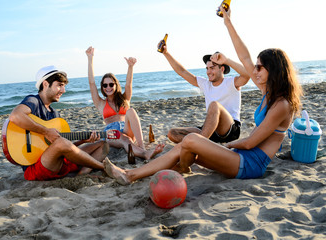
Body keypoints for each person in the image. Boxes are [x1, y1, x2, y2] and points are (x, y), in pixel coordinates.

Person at [103, 7, 302, 184]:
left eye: (260, 67)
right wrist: (228, 22)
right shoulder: (267, 91)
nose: (255, 70)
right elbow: (245, 57)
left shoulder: (282, 104)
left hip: (248, 164)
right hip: (239, 155)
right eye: (256, 67)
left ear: (273, 70)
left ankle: (130, 175)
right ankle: (174, 168)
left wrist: (226, 147)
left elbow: (250, 142)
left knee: (191, 140)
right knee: (187, 147)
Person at [9, 65, 109, 181]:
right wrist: (45, 131)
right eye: (60, 85)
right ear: (45, 84)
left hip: (59, 163)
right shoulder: (34, 101)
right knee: (61, 142)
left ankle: (82, 174)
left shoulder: (55, 115)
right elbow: (15, 116)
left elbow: (66, 148)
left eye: (64, 86)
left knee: (103, 145)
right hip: (37, 168)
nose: (63, 90)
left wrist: (83, 141)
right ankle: (104, 168)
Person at [159, 42, 250, 144]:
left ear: (222, 69)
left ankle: (201, 144)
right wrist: (166, 53)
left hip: (230, 129)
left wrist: (226, 60)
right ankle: (203, 143)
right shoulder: (206, 84)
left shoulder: (231, 82)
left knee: (214, 105)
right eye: (207, 68)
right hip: (211, 130)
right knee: (173, 133)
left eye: (212, 68)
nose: (208, 72)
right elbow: (182, 72)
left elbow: (247, 75)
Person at [85, 46, 164, 160]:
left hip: (128, 129)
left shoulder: (125, 99)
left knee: (131, 111)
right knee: (125, 139)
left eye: (111, 84)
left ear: (116, 85)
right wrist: (90, 59)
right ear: (102, 87)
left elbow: (128, 84)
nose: (108, 87)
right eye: (105, 85)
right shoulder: (101, 103)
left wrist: (130, 67)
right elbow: (91, 83)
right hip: (111, 133)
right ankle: (144, 154)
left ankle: (141, 147)